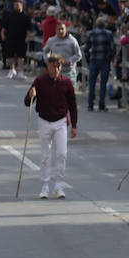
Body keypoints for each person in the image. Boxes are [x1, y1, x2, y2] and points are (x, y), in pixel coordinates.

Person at [24, 53, 78, 200]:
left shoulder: (66, 82)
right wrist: (31, 95)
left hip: (61, 121)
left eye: (59, 66)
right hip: (44, 121)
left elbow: (73, 104)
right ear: (48, 66)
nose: (56, 69)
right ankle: (45, 185)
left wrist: (74, 125)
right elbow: (27, 102)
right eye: (53, 66)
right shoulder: (40, 81)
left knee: (62, 154)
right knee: (45, 155)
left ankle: (59, 184)